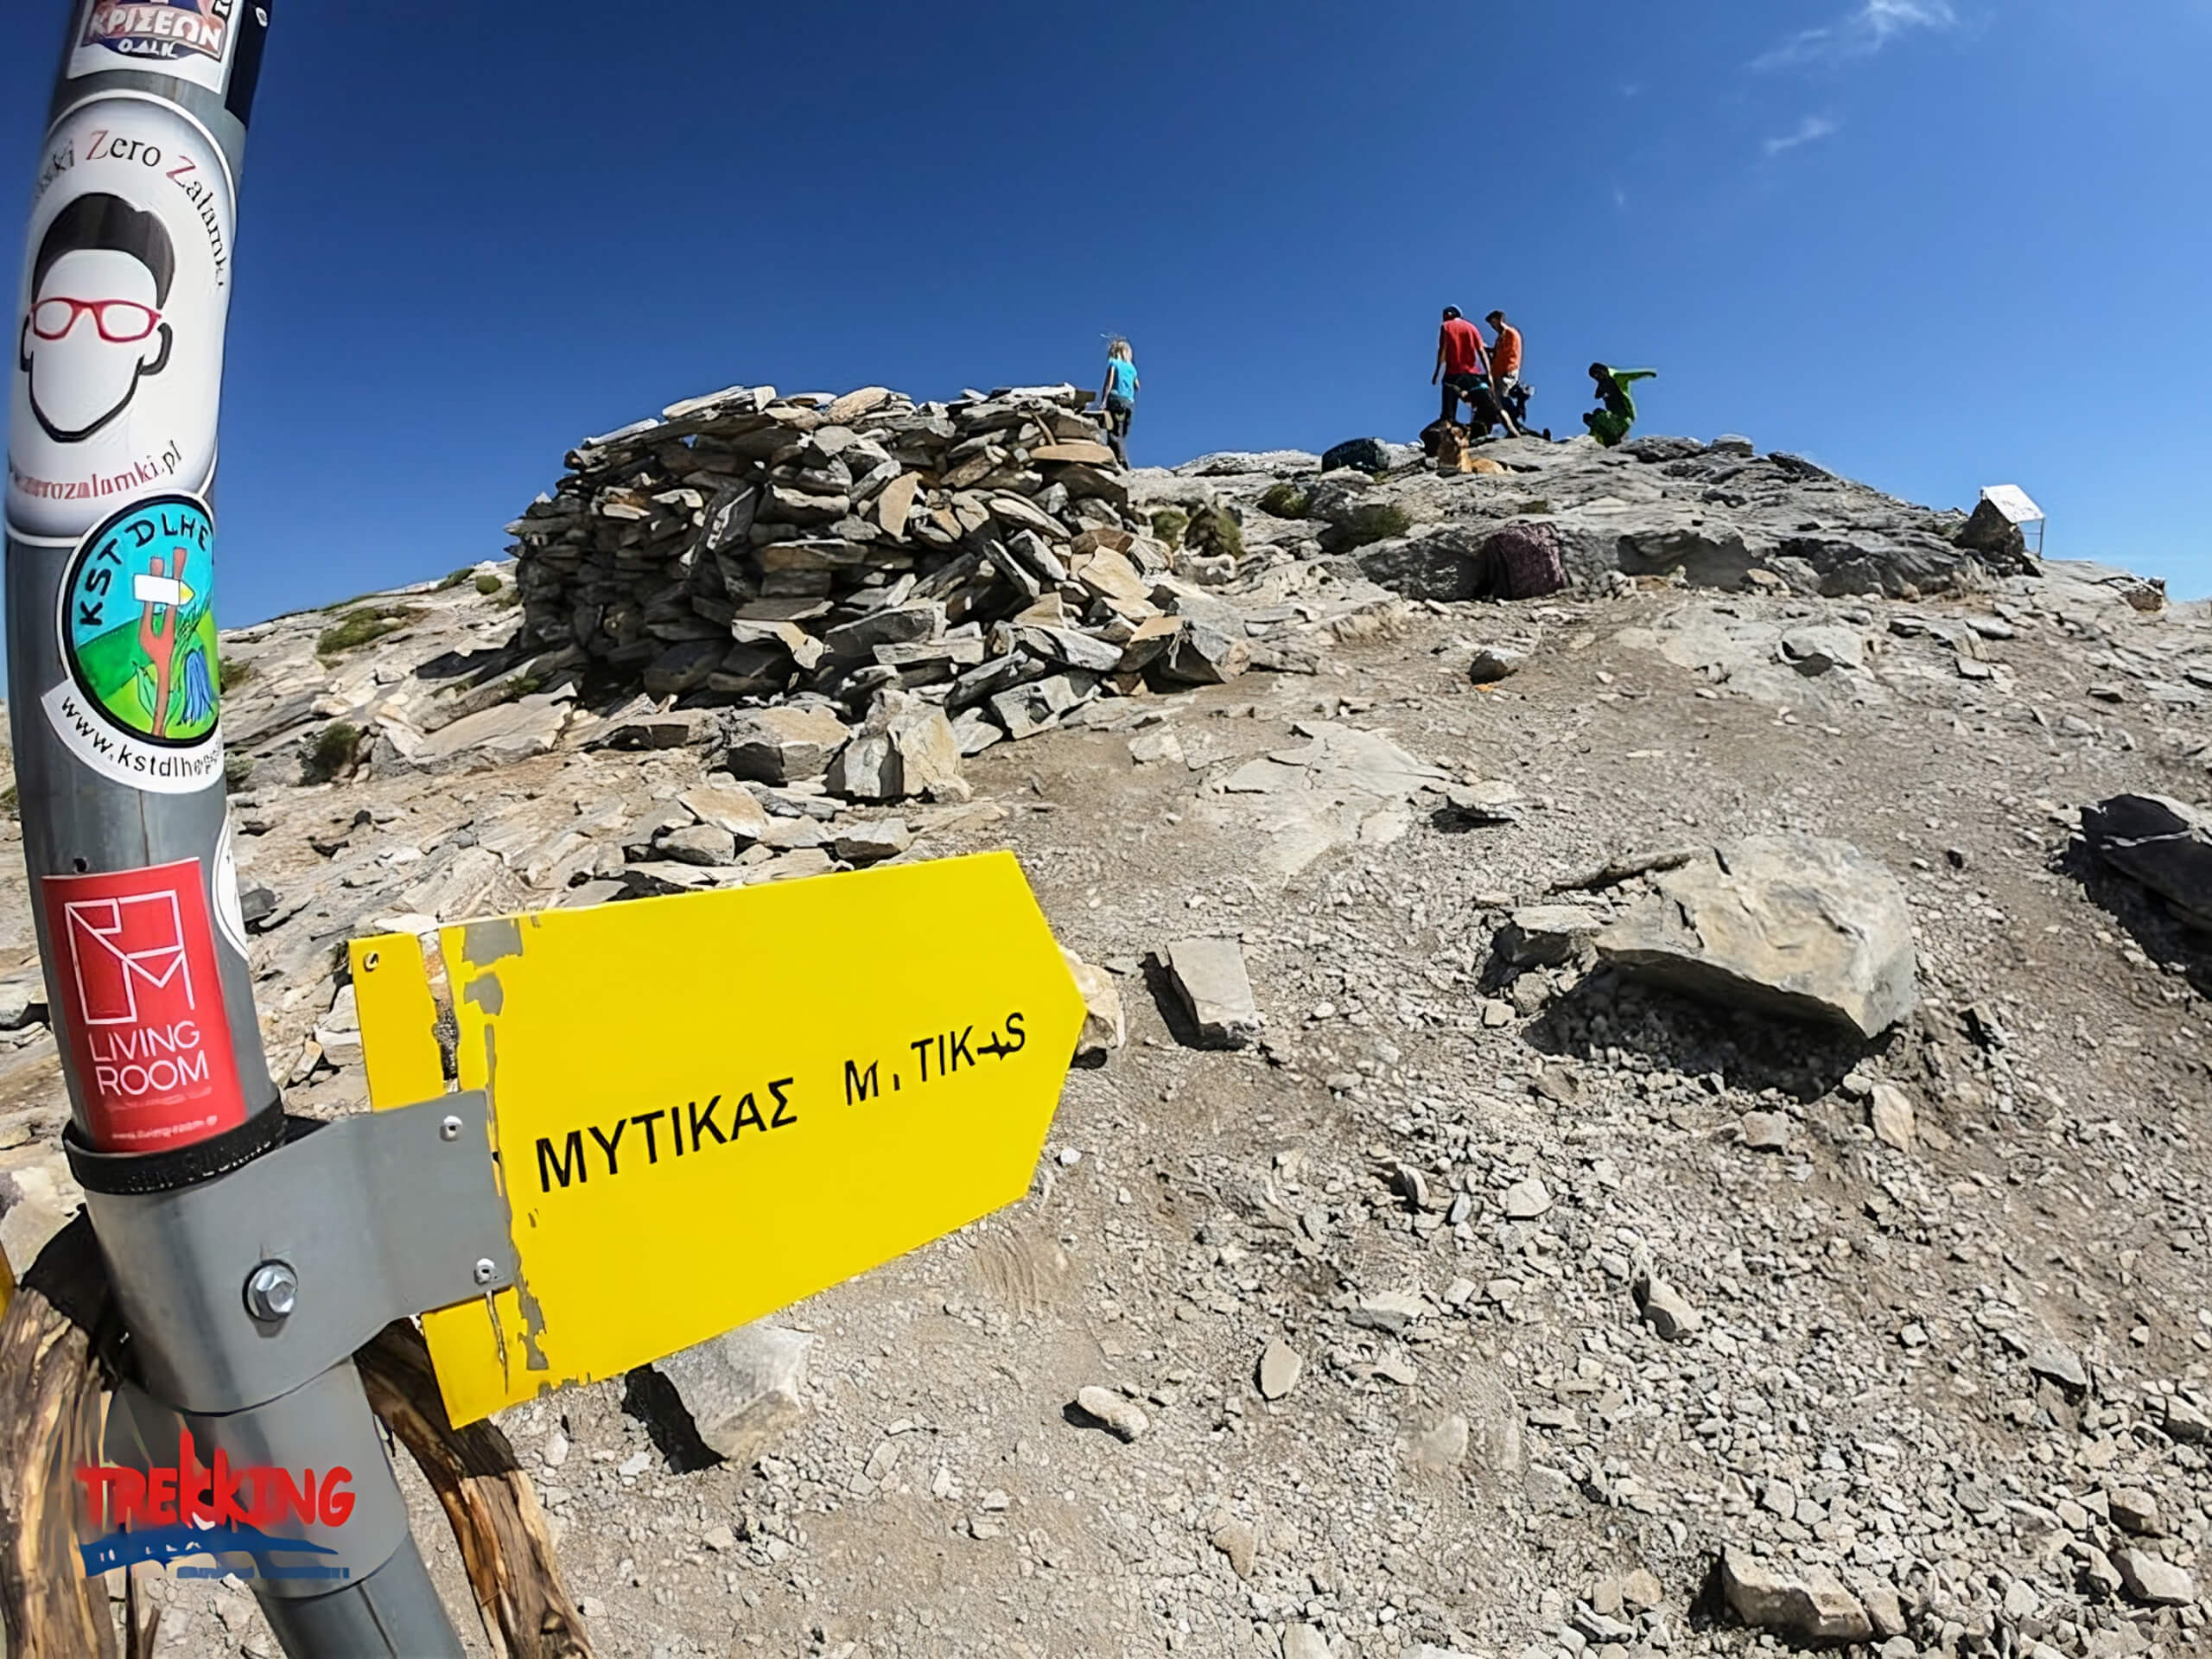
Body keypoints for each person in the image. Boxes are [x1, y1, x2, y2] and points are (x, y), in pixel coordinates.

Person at [1431, 307, 1488, 428]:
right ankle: (1480, 424)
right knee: (1476, 398)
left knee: (1449, 393)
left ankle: (1449, 420)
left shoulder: (1446, 326)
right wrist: (1489, 373)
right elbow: (1481, 350)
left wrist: (1437, 372)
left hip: (1453, 371)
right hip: (1472, 371)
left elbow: (1443, 350)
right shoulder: (1471, 327)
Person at [1584, 363, 1655, 448]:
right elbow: (1597, 395)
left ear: (1604, 371)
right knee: (1595, 415)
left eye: (1599, 374)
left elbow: (1633, 375)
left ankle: (1614, 438)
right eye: (1596, 377)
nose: (1599, 378)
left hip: (1624, 414)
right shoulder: (1602, 384)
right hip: (1614, 414)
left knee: (1599, 415)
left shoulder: (1617, 377)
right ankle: (1607, 441)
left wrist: (1649, 373)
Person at [1097, 339, 1139, 463]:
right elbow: (1137, 386)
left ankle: (1119, 460)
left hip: (1115, 400)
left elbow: (1108, 383)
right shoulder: (1132, 368)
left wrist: (1104, 400)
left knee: (1113, 431)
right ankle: (1121, 458)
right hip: (1129, 403)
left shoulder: (1113, 363)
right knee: (1122, 432)